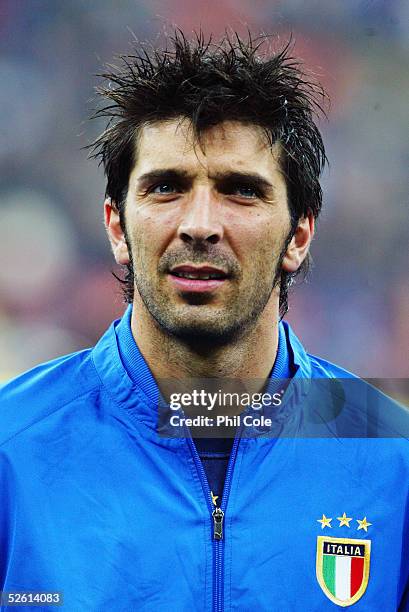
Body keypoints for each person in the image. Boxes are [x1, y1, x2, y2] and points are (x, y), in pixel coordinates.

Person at [0, 31, 408, 611]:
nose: (199, 224)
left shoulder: (393, 461)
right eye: (166, 187)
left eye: (241, 191)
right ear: (117, 227)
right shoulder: (13, 451)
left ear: (299, 235)